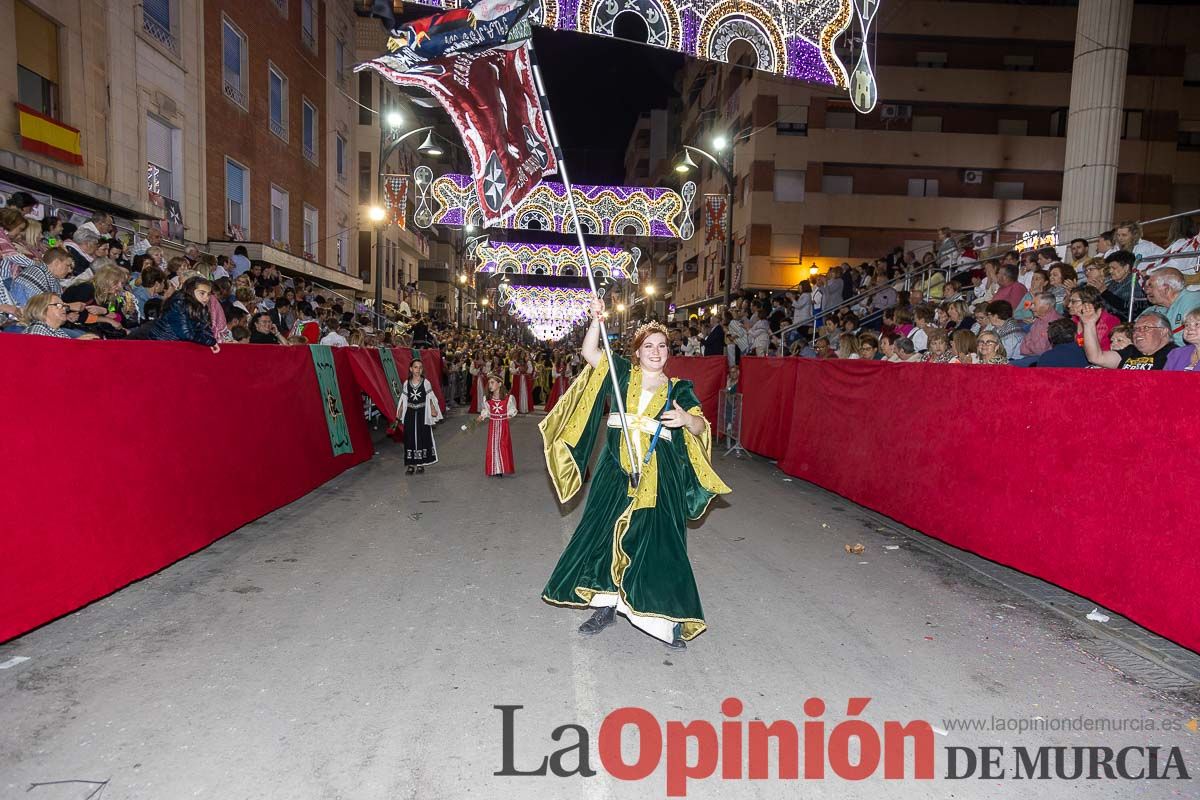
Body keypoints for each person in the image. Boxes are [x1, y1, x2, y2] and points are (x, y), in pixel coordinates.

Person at [541, 298, 731, 649]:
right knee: (604, 536)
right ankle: (605, 606)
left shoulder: (679, 389)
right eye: (649, 346)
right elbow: (589, 351)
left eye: (662, 346)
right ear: (638, 352)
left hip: (658, 478)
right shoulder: (620, 373)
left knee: (657, 545)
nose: (656, 352)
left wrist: (686, 420)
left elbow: (701, 426)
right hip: (614, 470)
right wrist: (597, 319)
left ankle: (662, 621)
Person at [1081, 307, 1176, 370]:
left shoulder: (1176, 354)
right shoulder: (1130, 351)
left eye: (1146, 328)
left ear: (1164, 332)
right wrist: (1088, 324)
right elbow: (1096, 357)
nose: (1138, 332)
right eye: (1136, 329)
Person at [145, 276, 220, 352]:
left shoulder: (200, 307)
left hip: (175, 347)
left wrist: (211, 340)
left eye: (208, 294)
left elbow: (204, 328)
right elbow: (186, 334)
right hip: (160, 346)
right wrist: (210, 341)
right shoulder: (179, 304)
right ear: (191, 291)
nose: (206, 298)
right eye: (202, 293)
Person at [396, 359, 443, 475]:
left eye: (420, 367)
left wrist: (433, 409)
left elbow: (430, 397)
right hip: (410, 413)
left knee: (422, 436)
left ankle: (420, 463)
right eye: (415, 367)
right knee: (409, 437)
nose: (418, 370)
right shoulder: (407, 383)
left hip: (422, 413)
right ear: (411, 369)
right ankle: (411, 464)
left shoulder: (426, 382)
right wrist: (400, 411)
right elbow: (403, 399)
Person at [1144, 268, 1200, 345]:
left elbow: (1186, 338)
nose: (1146, 291)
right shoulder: (1155, 308)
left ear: (1166, 289)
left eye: (1151, 286)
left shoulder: (1192, 300)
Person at [480, 374, 517, 477]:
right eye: (489, 383)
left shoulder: (507, 398)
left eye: (492, 382)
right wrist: (482, 416)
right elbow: (486, 410)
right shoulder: (487, 398)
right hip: (493, 425)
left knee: (503, 445)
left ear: (499, 384)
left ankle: (502, 467)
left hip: (503, 425)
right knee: (493, 446)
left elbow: (512, 410)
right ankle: (494, 468)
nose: (490, 385)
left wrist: (508, 415)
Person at [21, 293, 98, 339]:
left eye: (64, 305)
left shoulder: (56, 330)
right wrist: (76, 345)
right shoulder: (36, 331)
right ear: (42, 308)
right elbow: (47, 360)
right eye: (58, 305)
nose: (64, 308)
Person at [1164, 307, 1200, 372]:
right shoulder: (1176, 354)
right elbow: (1162, 380)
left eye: (1197, 324)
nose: (1189, 328)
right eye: (1186, 325)